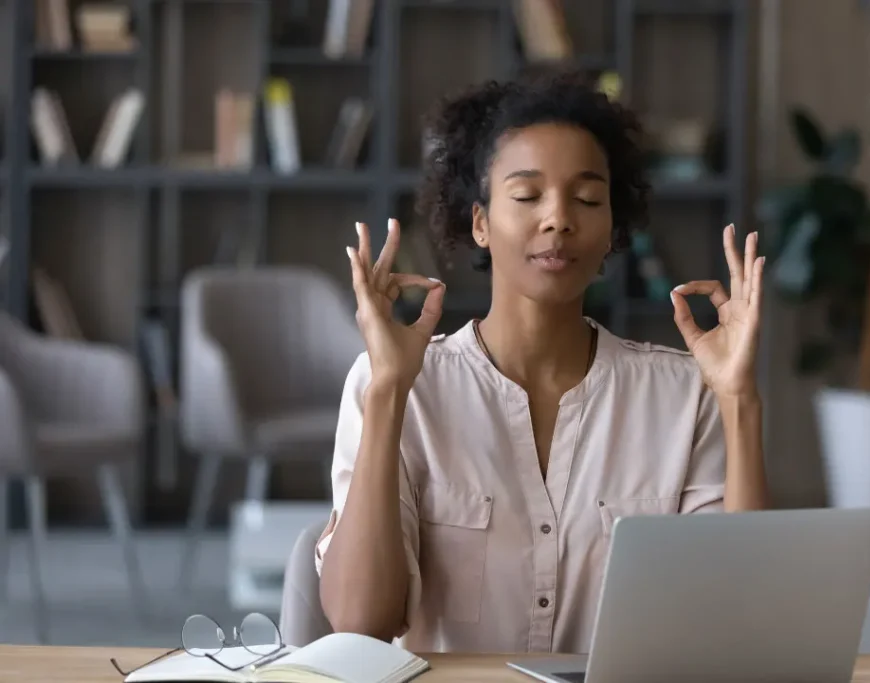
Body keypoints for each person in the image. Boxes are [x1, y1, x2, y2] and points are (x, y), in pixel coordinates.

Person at [316, 72, 769, 654]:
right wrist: (387, 391)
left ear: (611, 230)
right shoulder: (399, 385)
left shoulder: (686, 393)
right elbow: (361, 624)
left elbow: (738, 621)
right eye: (527, 196)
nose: (559, 218)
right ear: (479, 222)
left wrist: (739, 398)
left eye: (587, 199)